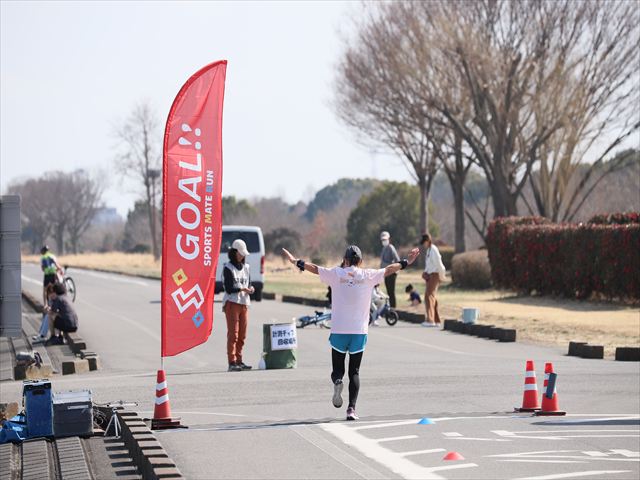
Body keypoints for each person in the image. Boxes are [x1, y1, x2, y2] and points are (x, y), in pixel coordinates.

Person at [282, 244, 420, 421]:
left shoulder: (336, 274)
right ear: (360, 261)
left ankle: (338, 381)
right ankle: (351, 409)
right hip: (359, 332)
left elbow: (315, 268)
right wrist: (407, 261)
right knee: (354, 371)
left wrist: (296, 261)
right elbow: (389, 269)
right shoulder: (368, 275)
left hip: (339, 330)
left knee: (337, 369)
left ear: (345, 260)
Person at [222, 239, 255, 372]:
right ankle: (232, 362)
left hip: (244, 303)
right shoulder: (228, 268)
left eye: (243, 254)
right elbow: (229, 288)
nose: (242, 256)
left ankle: (239, 360)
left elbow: (249, 283)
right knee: (233, 335)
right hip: (232, 303)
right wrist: (242, 289)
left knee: (242, 335)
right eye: (240, 253)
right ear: (234, 252)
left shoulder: (246, 267)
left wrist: (251, 288)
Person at [420, 233, 446, 328]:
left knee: (428, 296)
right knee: (432, 297)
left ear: (428, 241)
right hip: (430, 275)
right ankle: (436, 320)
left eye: (424, 242)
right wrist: (425, 272)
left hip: (435, 275)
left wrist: (442, 276)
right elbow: (429, 265)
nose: (423, 244)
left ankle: (430, 320)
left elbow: (439, 264)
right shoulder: (429, 250)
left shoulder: (433, 249)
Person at [379, 231, 400, 308]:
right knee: (388, 291)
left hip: (392, 273)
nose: (384, 241)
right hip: (386, 273)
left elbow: (397, 260)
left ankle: (393, 308)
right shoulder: (384, 248)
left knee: (391, 292)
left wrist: (395, 270)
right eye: (382, 240)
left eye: (385, 239)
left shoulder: (391, 247)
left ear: (389, 239)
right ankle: (390, 308)